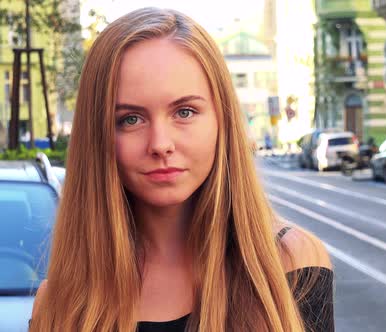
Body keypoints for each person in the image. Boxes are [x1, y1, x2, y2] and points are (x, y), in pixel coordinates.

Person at [30, 8, 333, 332]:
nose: (160, 144)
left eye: (184, 112)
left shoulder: (288, 263)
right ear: (98, 136)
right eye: (130, 119)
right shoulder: (61, 304)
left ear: (222, 119)